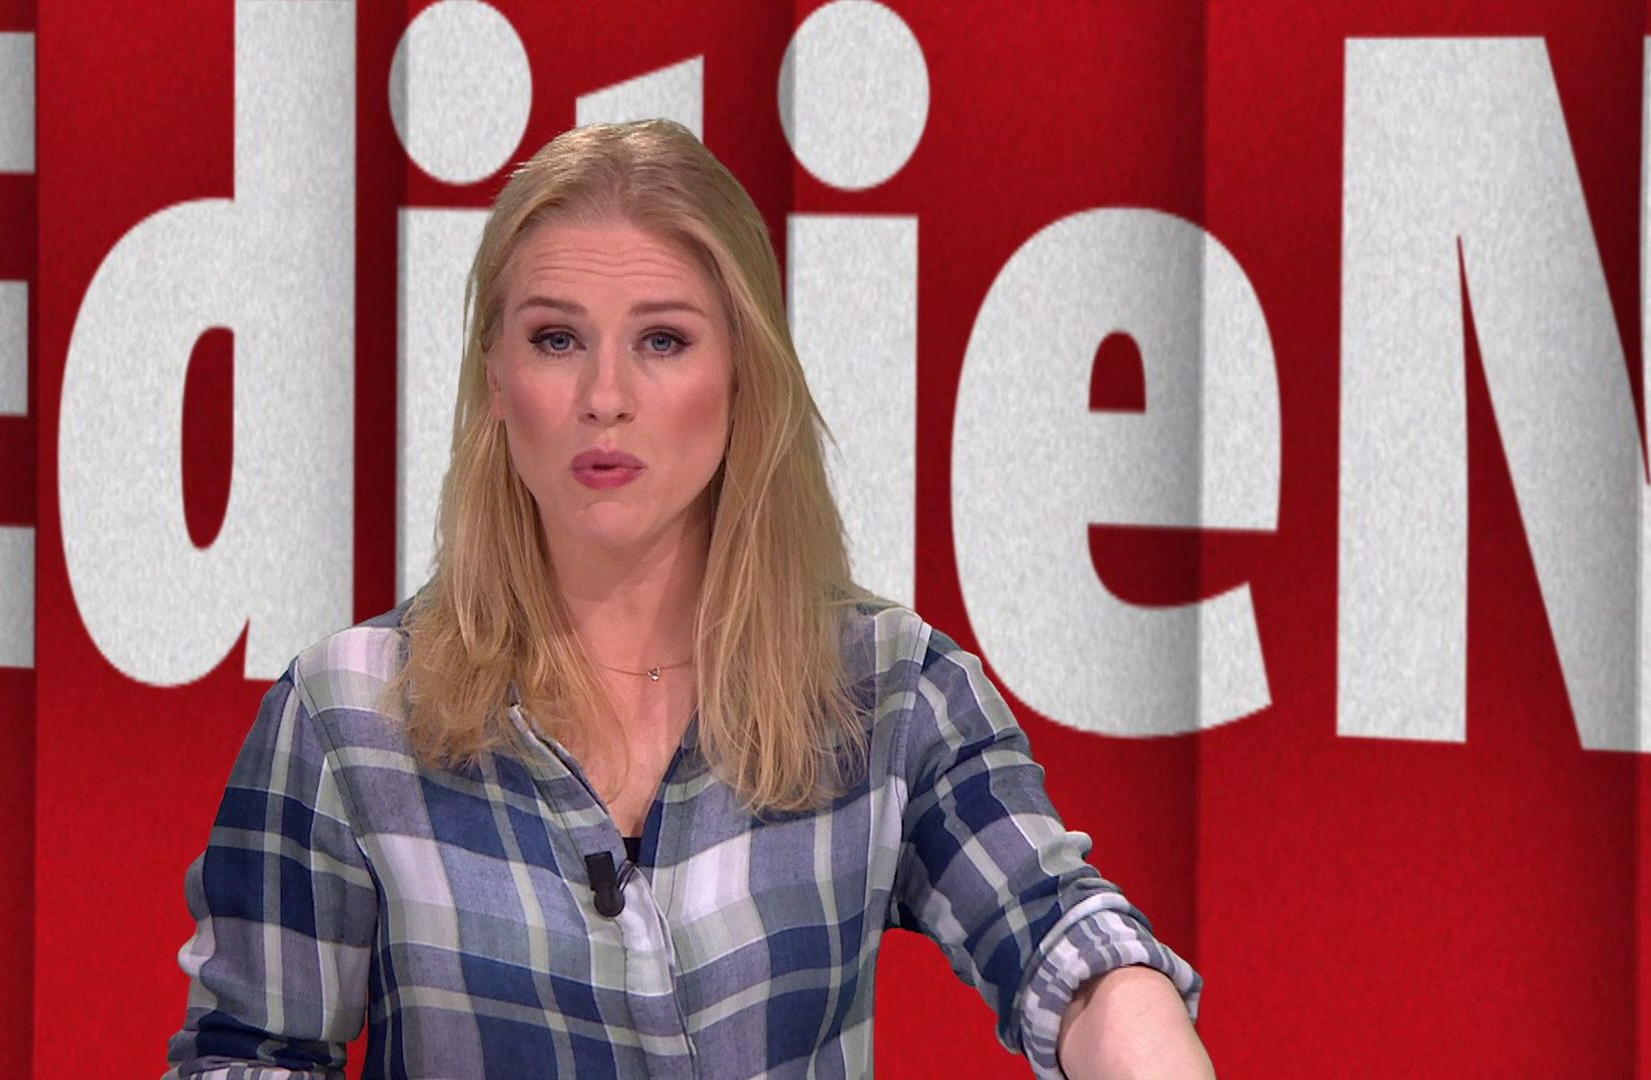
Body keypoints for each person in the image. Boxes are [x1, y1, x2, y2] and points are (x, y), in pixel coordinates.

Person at [162, 119, 1210, 1080]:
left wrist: (1138, 1033)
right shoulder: (348, 717)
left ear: (743, 374)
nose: (604, 397)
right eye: (557, 340)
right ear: (496, 381)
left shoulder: (888, 692)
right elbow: (245, 1055)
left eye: (662, 340)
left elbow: (1065, 945)